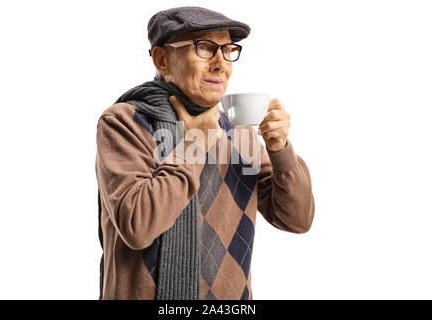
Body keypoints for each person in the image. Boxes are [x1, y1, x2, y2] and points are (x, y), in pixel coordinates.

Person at [95, 6, 315, 300]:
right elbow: (137, 225)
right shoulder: (125, 122)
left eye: (228, 50)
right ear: (162, 59)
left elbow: (296, 219)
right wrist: (195, 141)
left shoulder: (238, 130)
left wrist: (281, 150)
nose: (220, 64)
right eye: (205, 48)